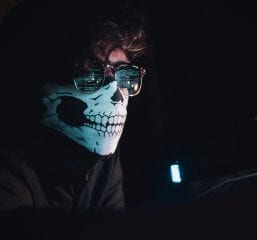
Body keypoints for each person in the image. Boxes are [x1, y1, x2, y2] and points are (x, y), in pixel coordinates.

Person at [0, 0, 148, 218]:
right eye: (91, 75)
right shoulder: (9, 158)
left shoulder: (100, 158)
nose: (117, 96)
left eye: (125, 76)